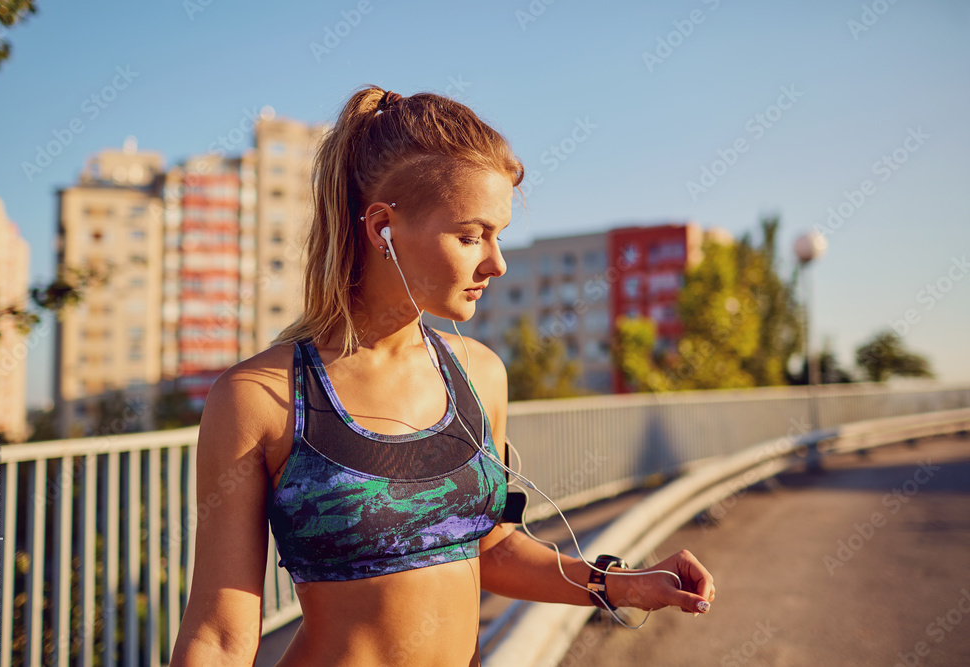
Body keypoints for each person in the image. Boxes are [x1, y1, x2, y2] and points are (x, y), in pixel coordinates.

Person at [171, 85, 716, 667]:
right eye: (470, 236)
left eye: (498, 235)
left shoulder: (480, 375)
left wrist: (624, 584)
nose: (496, 262)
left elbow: (493, 549)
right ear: (382, 226)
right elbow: (220, 639)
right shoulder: (263, 398)